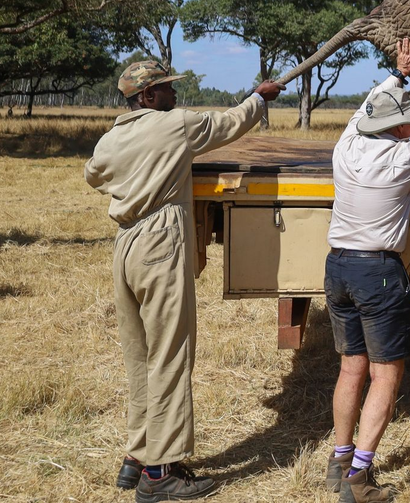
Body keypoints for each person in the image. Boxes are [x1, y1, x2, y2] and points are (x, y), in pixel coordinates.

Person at [84, 61, 282, 502]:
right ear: (147, 96)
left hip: (125, 244)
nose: (174, 95)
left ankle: (137, 455)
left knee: (140, 356)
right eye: (167, 89)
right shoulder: (174, 125)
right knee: (170, 354)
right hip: (160, 241)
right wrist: (259, 98)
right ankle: (161, 473)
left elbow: (93, 173)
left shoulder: (111, 137)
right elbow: (229, 124)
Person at [325, 38, 410, 503]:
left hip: (338, 266)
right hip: (379, 272)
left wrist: (398, 75)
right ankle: (360, 478)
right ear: (400, 128)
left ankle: (339, 460)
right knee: (386, 376)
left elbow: (366, 110)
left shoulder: (347, 145)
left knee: (351, 368)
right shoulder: (404, 158)